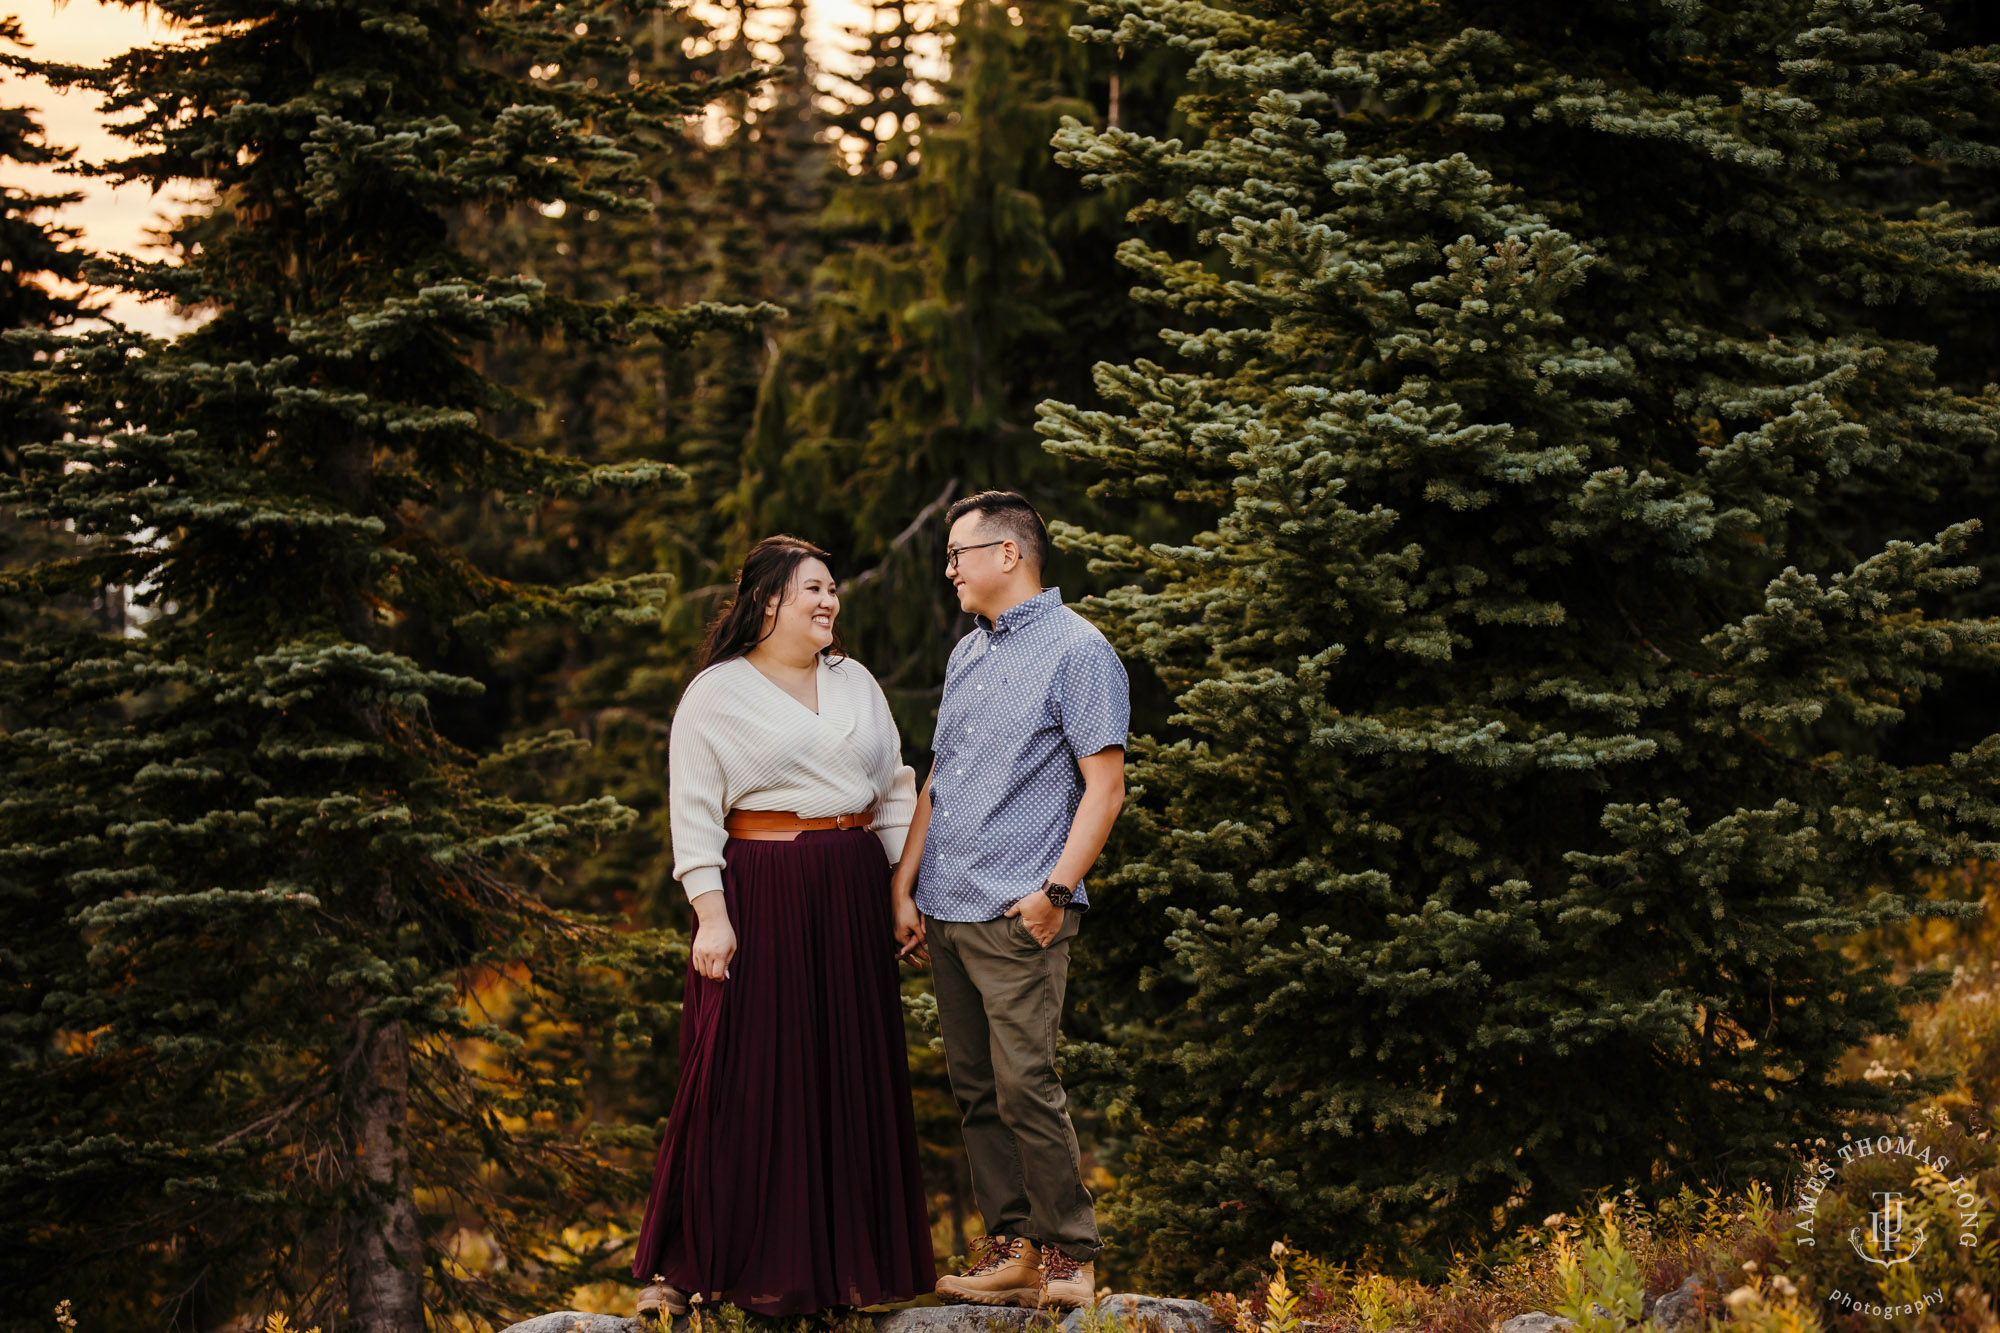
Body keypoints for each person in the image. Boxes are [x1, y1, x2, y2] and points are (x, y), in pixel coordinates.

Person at [631, 535, 936, 1317]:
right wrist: (711, 914)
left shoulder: (856, 682)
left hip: (853, 885)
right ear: (768, 602)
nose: (830, 601)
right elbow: (693, 810)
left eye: (834, 589)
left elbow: (896, 788)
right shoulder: (716, 693)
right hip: (761, 888)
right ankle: (692, 1263)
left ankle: (849, 1270)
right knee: (742, 1073)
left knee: (847, 1069)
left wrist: (903, 887)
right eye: (814, 589)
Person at [888, 491, 1130, 1311]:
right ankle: (1014, 1249)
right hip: (947, 910)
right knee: (977, 1089)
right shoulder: (968, 655)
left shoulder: (1079, 651)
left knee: (1026, 1081)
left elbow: (1106, 788)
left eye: (959, 552)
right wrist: (905, 885)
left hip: (1020, 908)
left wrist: (1055, 890)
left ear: (1009, 555)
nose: (950, 567)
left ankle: (1071, 1256)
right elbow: (938, 780)